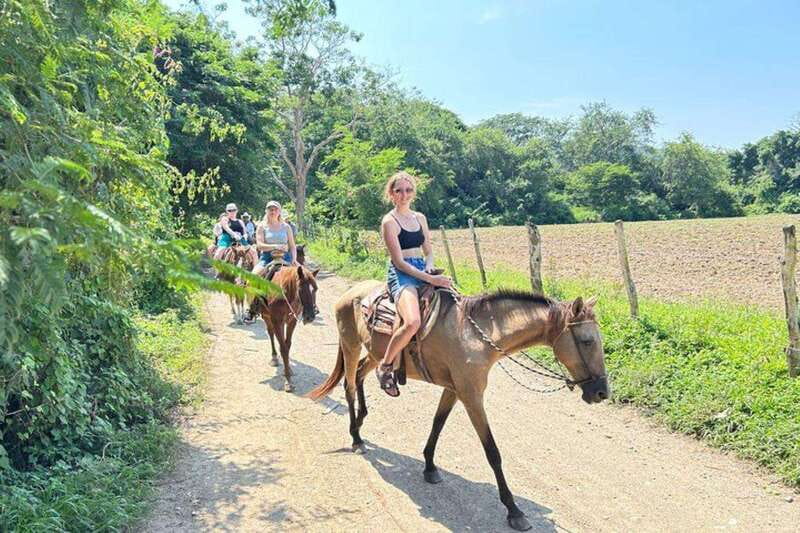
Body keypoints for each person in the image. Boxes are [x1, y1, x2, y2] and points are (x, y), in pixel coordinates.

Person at [376, 171, 452, 397]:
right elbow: (399, 261)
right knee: (412, 322)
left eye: (408, 190)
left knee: (456, 304)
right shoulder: (389, 221)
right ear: (391, 194)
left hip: (421, 267)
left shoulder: (420, 218)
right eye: (398, 190)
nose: (404, 195)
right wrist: (430, 279)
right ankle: (385, 365)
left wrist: (429, 266)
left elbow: (428, 250)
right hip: (403, 273)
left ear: (413, 192)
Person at [252, 200, 299, 279]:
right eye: (270, 209)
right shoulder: (261, 226)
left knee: (306, 278)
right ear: (266, 211)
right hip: (267, 258)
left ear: (279, 211)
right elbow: (260, 246)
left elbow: (292, 246)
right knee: (252, 278)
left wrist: (294, 259)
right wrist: (276, 246)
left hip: (286, 257)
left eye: (276, 209)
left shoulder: (286, 227)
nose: (273, 212)